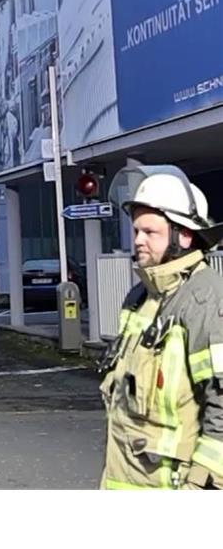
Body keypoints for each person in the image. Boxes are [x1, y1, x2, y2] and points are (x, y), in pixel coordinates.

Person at [99, 165, 223, 489]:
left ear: (184, 235)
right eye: (136, 231)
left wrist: (202, 486)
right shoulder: (140, 296)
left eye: (150, 232)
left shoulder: (205, 300)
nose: (138, 240)